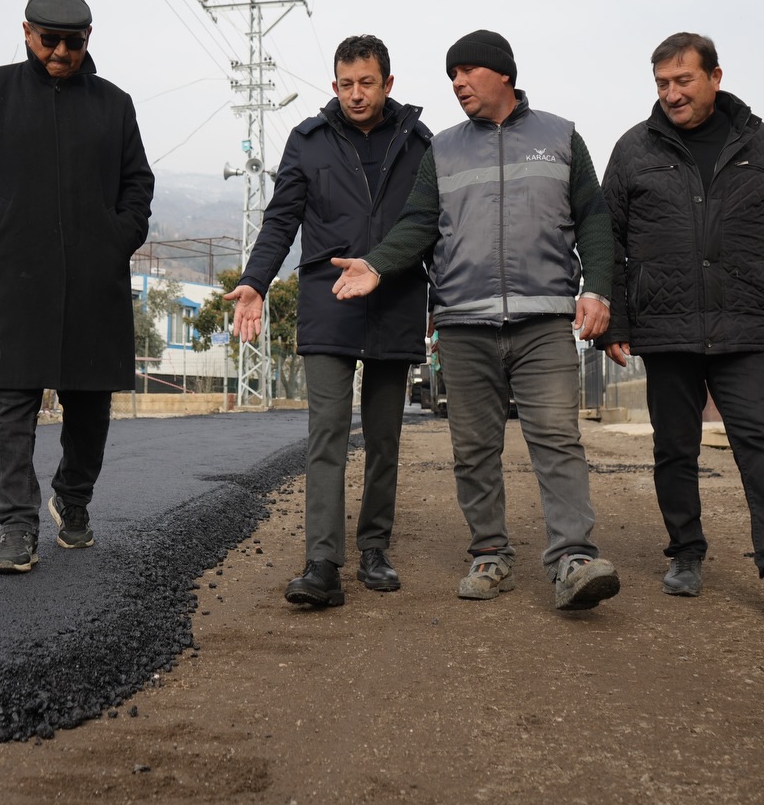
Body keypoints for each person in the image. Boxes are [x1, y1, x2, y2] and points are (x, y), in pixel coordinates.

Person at [331, 30, 621, 611]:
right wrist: (378, 265)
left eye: (467, 72)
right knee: (473, 449)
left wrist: (599, 292)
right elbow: (417, 224)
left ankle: (574, 558)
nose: (458, 84)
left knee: (557, 441)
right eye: (451, 76)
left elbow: (593, 219)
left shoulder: (561, 137)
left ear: (504, 74)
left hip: (544, 321)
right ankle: (490, 554)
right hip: (464, 324)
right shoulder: (444, 149)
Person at [599, 31, 764, 612]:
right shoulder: (635, 150)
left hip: (743, 321)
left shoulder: (759, 141)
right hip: (667, 323)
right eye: (662, 84)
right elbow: (608, 243)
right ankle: (685, 551)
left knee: (758, 440)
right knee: (674, 446)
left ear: (715, 77)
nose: (672, 94)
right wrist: (615, 322)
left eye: (683, 80)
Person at [0, 0, 154, 574]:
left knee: (91, 406)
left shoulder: (115, 104)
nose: (61, 51)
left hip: (95, 279)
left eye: (73, 41)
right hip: (17, 277)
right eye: (50, 39)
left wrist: (118, 238)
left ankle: (75, 499)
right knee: (10, 405)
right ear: (27, 33)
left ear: (89, 40)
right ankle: (15, 529)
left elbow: (138, 184)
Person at [224, 34, 433, 607]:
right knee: (328, 436)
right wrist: (255, 281)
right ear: (334, 84)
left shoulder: (419, 143)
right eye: (345, 84)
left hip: (395, 301)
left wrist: (438, 302)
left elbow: (434, 227)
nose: (356, 95)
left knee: (386, 436)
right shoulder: (308, 141)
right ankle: (322, 562)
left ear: (388, 83)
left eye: (367, 83)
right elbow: (281, 218)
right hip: (328, 301)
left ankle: (374, 548)